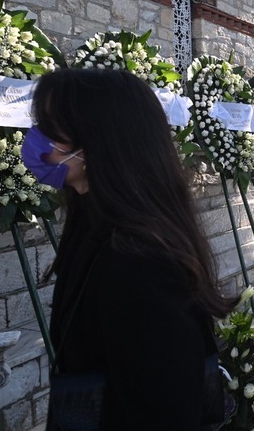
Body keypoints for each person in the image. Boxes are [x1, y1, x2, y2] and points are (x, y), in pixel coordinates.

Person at [24, 69, 237, 429]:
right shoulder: (92, 225)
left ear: (98, 141)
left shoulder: (139, 261)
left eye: (50, 128)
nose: (36, 139)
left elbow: (164, 408)